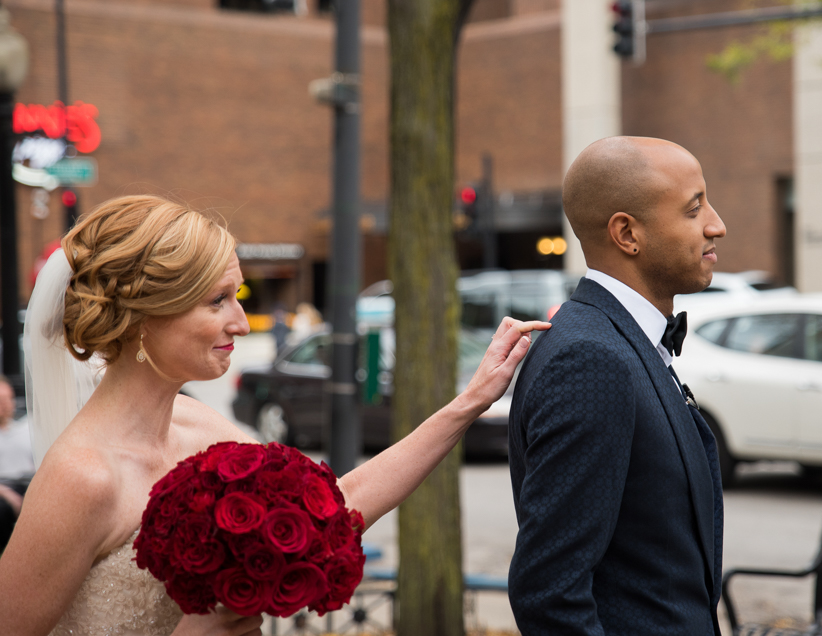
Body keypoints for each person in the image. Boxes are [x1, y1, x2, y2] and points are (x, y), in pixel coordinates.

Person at [0, 195, 549, 636]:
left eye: (236, 297)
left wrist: (469, 402)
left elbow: (336, 507)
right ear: (143, 318)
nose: (240, 323)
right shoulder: (83, 477)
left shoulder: (196, 426)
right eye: (217, 301)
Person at [508, 136, 728, 636]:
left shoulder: (613, 341)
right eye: (694, 209)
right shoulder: (591, 359)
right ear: (627, 233)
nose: (717, 224)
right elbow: (548, 592)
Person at [0, 375, 34, 551]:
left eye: (8, 399)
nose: (5, 405)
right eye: (0, 400)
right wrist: (9, 496)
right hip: (3, 489)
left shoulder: (28, 428)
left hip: (29, 483)